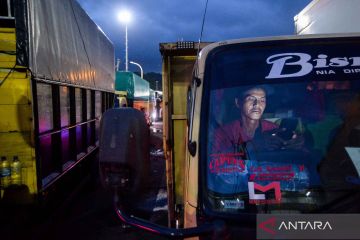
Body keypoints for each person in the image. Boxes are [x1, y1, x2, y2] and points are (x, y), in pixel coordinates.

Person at [211, 86, 303, 154]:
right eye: (251, 99)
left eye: (262, 100)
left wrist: (295, 144)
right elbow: (215, 161)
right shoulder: (223, 133)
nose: (257, 104)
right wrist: (255, 145)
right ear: (238, 102)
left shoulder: (272, 129)